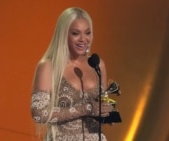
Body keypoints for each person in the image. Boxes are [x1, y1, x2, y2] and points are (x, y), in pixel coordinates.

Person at [30, 7, 114, 141]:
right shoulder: (48, 67)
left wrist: (107, 112)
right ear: (63, 34)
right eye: (76, 33)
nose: (83, 39)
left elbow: (101, 107)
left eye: (88, 33)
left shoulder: (97, 64)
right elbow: (39, 114)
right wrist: (86, 108)